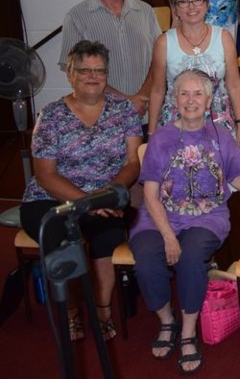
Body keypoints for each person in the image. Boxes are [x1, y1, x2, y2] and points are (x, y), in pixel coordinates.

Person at [130, 69, 240, 374]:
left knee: (191, 256)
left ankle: (188, 330)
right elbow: (150, 194)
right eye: (183, 93)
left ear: (208, 101)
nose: (190, 100)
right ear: (174, 99)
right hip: (159, 217)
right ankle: (167, 322)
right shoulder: (161, 138)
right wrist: (167, 235)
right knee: (146, 258)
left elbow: (239, 178)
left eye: (197, 94)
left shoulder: (221, 135)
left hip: (207, 216)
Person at [21, 40, 142, 342]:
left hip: (106, 196)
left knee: (108, 235)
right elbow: (45, 174)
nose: (92, 76)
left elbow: (132, 163)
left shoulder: (124, 109)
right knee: (58, 239)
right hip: (51, 199)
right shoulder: (51, 116)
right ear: (70, 74)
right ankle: (73, 312)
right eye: (84, 70)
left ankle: (102, 310)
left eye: (99, 70)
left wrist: (109, 193)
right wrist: (88, 202)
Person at [59, 0, 162, 120]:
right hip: (101, 119)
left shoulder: (145, 11)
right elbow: (72, 70)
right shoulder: (76, 17)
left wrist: (141, 97)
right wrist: (125, 101)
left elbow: (160, 58)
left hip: (146, 112)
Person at [147, 0, 240, 152]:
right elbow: (157, 90)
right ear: (175, 9)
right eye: (183, 1)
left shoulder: (224, 37)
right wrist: (151, 133)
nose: (191, 6)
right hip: (177, 117)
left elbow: (234, 85)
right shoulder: (164, 42)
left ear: (207, 5)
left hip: (218, 118)